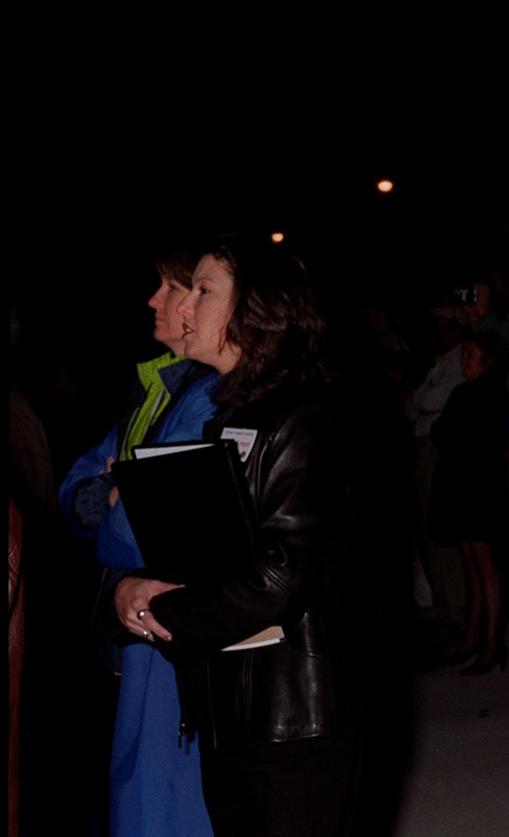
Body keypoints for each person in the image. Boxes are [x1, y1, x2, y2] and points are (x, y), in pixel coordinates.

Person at [113, 234, 361, 836]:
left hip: (291, 715)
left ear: (256, 307)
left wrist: (164, 609)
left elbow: (280, 572)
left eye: (203, 290)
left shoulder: (304, 414)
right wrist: (134, 587)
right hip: (232, 707)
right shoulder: (235, 412)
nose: (185, 308)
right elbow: (210, 552)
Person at [57, 249, 217, 837]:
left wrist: (117, 495)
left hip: (168, 626)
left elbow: (150, 524)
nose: (155, 301)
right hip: (132, 627)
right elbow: (74, 490)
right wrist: (110, 493)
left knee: (164, 798)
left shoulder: (207, 394)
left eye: (173, 289)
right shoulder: (154, 384)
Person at [430, 330, 509, 674]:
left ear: (488, 361)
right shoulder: (475, 392)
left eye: (471, 356)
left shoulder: (484, 393)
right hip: (467, 486)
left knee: (483, 562)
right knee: (470, 560)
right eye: (463, 355)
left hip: (479, 487)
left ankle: (491, 644)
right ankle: (473, 638)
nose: (464, 362)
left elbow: (446, 432)